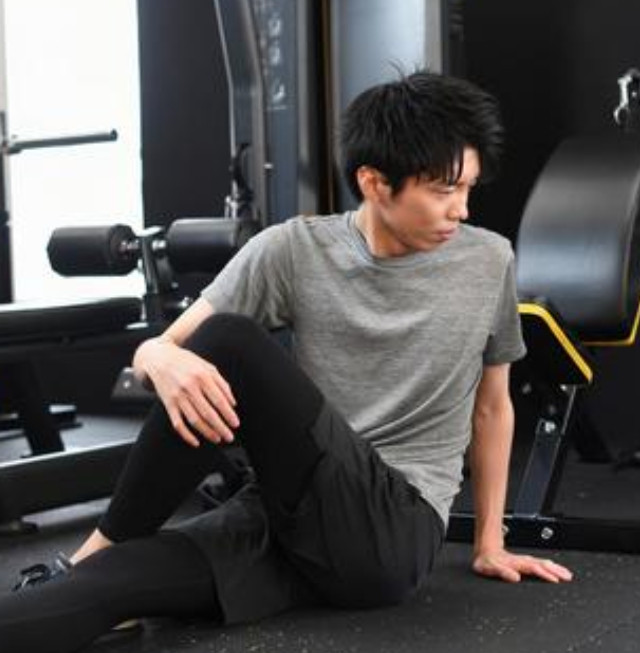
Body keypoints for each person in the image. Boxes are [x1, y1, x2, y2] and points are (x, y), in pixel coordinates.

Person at [0, 71, 573, 653]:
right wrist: (158, 356)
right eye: (444, 190)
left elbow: (492, 406)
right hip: (284, 516)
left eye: (469, 188)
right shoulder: (293, 249)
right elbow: (160, 352)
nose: (462, 210)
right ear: (374, 182)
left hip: (390, 531)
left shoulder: (489, 261)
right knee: (106, 584)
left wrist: (489, 543)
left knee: (229, 342)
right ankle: (91, 562)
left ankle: (96, 547)